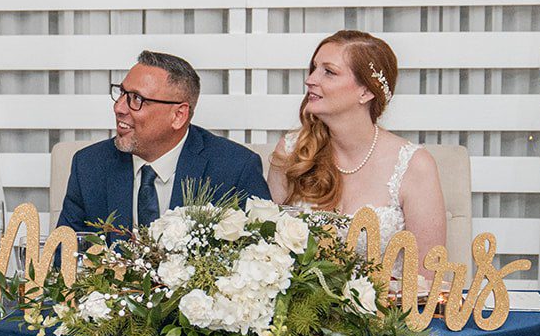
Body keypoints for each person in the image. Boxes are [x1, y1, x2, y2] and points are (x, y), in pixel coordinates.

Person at [268, 29, 446, 262]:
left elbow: (428, 277)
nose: (310, 79)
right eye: (314, 68)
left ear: (366, 92)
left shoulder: (414, 165)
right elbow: (267, 253)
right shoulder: (292, 152)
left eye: (329, 72)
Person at [58, 50, 269, 234]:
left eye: (136, 99)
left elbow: (260, 257)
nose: (119, 108)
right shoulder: (89, 166)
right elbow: (65, 260)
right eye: (122, 93)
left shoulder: (235, 169)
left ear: (178, 115)